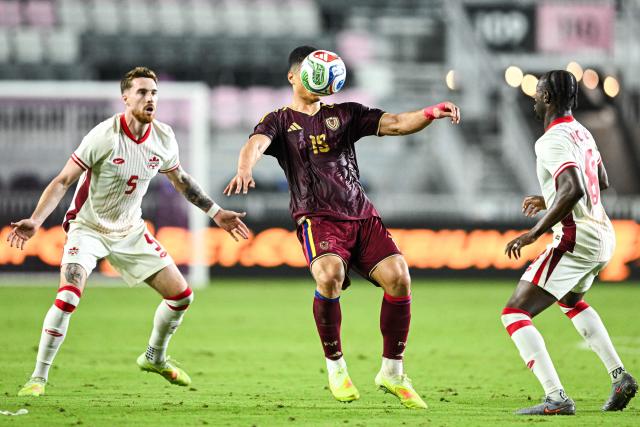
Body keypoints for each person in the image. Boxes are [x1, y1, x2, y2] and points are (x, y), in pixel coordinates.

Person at [224, 46, 460, 409]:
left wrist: (430, 112)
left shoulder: (346, 114)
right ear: (293, 76)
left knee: (399, 276)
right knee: (329, 275)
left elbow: (396, 123)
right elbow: (255, 144)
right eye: (308, 70)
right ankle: (336, 367)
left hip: (361, 214)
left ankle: (392, 373)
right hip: (316, 217)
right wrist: (245, 167)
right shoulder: (278, 119)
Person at [7, 66, 250, 397]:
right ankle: (38, 377)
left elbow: (181, 180)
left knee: (181, 297)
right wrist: (36, 220)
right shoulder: (103, 136)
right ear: (125, 97)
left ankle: (155, 357)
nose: (150, 99)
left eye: (154, 93)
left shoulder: (163, 137)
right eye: (142, 92)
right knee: (67, 296)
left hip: (130, 231)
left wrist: (216, 212)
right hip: (87, 228)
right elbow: (63, 180)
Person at [502, 70, 637, 415]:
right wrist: (551, 197)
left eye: (538, 92)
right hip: (603, 234)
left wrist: (534, 233)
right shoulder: (581, 132)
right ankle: (620, 376)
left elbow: (575, 187)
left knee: (514, 312)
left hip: (577, 237)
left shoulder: (551, 140)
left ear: (547, 98)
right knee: (570, 300)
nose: (534, 97)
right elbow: (600, 181)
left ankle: (556, 397)